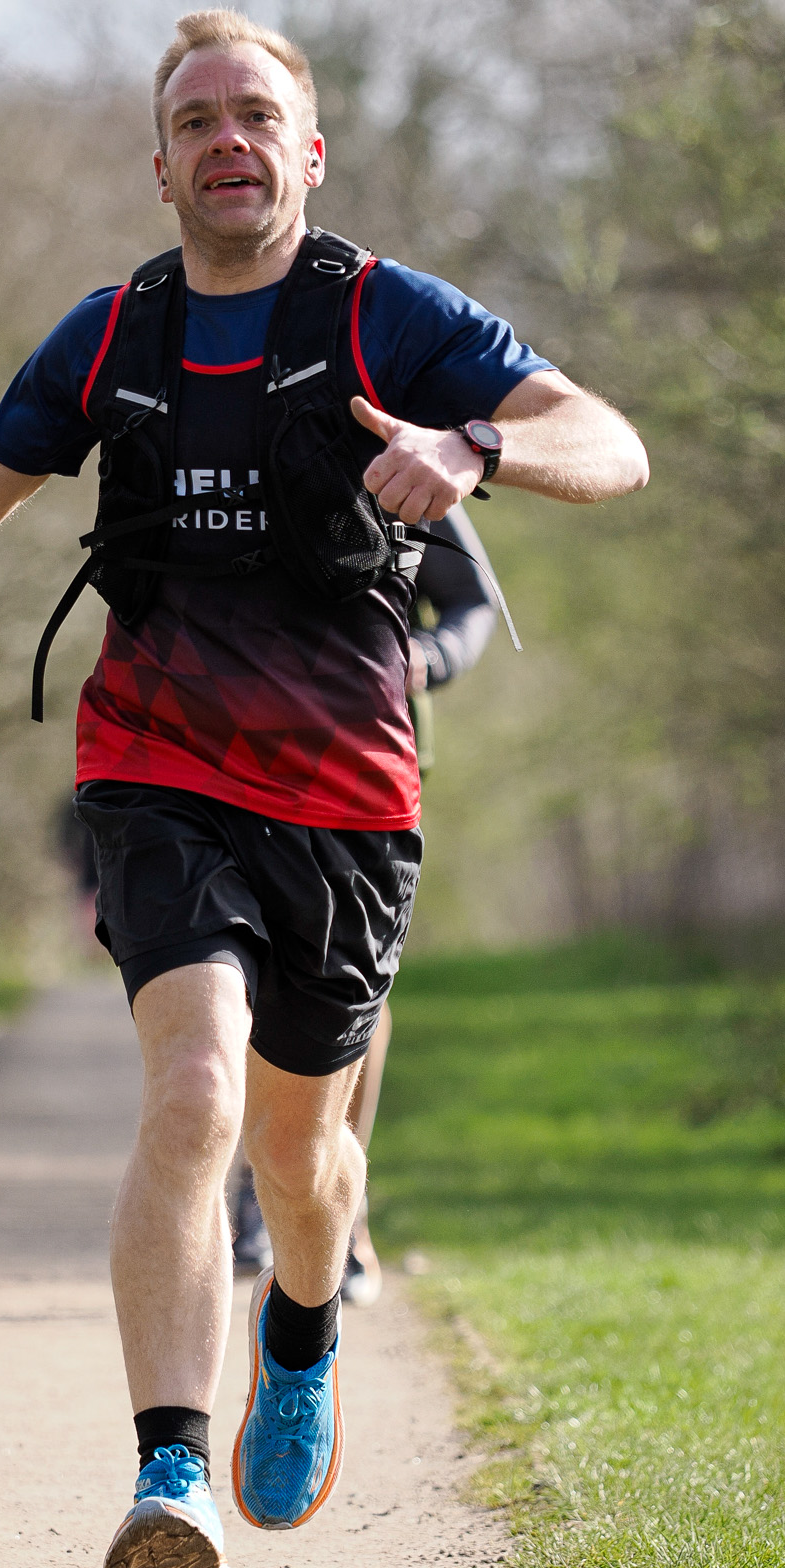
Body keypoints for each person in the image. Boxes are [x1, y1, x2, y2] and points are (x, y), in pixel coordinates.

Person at [0, 7, 649, 1568]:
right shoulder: (109, 337)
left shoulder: (389, 317)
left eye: (255, 114)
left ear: (307, 150)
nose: (227, 139)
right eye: (197, 120)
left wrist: (478, 447)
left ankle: (306, 1331)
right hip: (158, 767)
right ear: (163, 164)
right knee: (192, 1090)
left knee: (304, 1160)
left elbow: (609, 443)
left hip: (344, 790)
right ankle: (169, 1472)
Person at [230, 506, 500, 1306]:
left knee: (353, 995)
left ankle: (340, 1200)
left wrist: (433, 653)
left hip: (362, 763)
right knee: (238, 982)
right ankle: (257, 1186)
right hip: (217, 758)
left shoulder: (398, 443)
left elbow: (472, 598)